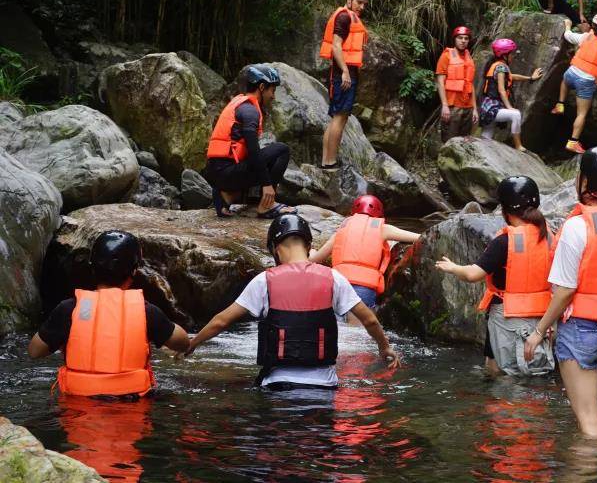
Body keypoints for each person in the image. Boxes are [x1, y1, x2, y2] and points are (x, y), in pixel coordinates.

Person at [187, 213, 399, 389]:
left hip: (278, 384)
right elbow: (369, 320)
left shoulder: (264, 281)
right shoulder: (334, 278)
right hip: (324, 385)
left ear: (275, 248)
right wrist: (384, 348)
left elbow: (221, 321)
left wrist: (192, 344)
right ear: (308, 246)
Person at [523, 147, 597, 438]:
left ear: (586, 183)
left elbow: (565, 291)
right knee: (590, 416)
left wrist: (538, 331)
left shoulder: (577, 225)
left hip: (582, 332)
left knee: (590, 424)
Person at [28, 231, 190, 396]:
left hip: (77, 410)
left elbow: (35, 351)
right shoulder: (146, 311)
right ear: (134, 271)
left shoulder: (69, 309)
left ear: (92, 268)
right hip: (132, 408)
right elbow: (183, 343)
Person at [435, 176, 555, 377]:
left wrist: (453, 267)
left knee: (501, 372)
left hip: (507, 316)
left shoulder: (504, 241)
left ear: (505, 210)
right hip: (542, 318)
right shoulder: (550, 236)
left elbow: (473, 274)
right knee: (531, 374)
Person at [204, 64, 294, 219]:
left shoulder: (239, 103)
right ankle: (266, 205)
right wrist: (267, 185)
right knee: (282, 150)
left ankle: (226, 196)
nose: (273, 96)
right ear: (261, 87)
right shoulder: (250, 111)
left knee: (266, 154)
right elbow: (253, 150)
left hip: (216, 173)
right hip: (226, 174)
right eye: (272, 90)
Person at [309, 194, 421, 309]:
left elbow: (315, 259)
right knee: (358, 325)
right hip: (364, 288)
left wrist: (312, 251)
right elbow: (419, 237)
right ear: (379, 213)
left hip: (337, 285)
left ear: (354, 212)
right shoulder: (383, 228)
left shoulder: (341, 230)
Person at [319, 0, 371, 168]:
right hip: (342, 73)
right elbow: (336, 45)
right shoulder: (343, 17)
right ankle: (330, 162)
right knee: (340, 117)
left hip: (346, 72)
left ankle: (326, 160)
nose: (361, 7)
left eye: (364, 4)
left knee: (338, 117)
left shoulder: (349, 17)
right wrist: (346, 72)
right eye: (359, 2)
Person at [551, 15, 597, 155]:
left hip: (571, 73)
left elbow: (568, 35)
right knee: (581, 114)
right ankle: (573, 142)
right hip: (586, 81)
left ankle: (560, 104)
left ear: (593, 26)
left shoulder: (585, 36)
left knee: (565, 80)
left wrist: (567, 25)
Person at [478, 38, 543, 150]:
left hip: (488, 107)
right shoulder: (501, 67)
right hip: (492, 107)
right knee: (516, 114)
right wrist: (509, 107)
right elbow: (501, 90)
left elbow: (512, 77)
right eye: (512, 54)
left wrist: (531, 78)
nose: (513, 56)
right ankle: (518, 146)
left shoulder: (498, 65)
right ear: (504, 55)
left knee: (486, 138)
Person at [436, 25, 478, 142]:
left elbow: (471, 85)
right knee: (449, 140)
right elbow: (440, 82)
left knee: (464, 142)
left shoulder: (469, 58)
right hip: (452, 106)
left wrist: (474, 109)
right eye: (460, 38)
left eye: (466, 38)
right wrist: (444, 105)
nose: (463, 41)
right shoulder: (446, 56)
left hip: (468, 108)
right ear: (455, 39)